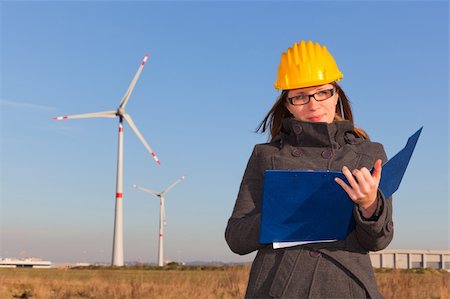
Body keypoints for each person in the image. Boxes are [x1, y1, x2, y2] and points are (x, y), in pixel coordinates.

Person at [225, 40, 393, 298]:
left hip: (346, 287)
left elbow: (378, 241)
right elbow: (236, 238)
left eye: (322, 92)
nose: (313, 105)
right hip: (278, 288)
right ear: (288, 104)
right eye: (300, 96)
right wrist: (282, 215)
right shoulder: (266, 155)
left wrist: (369, 205)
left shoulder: (369, 154)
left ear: (336, 94)